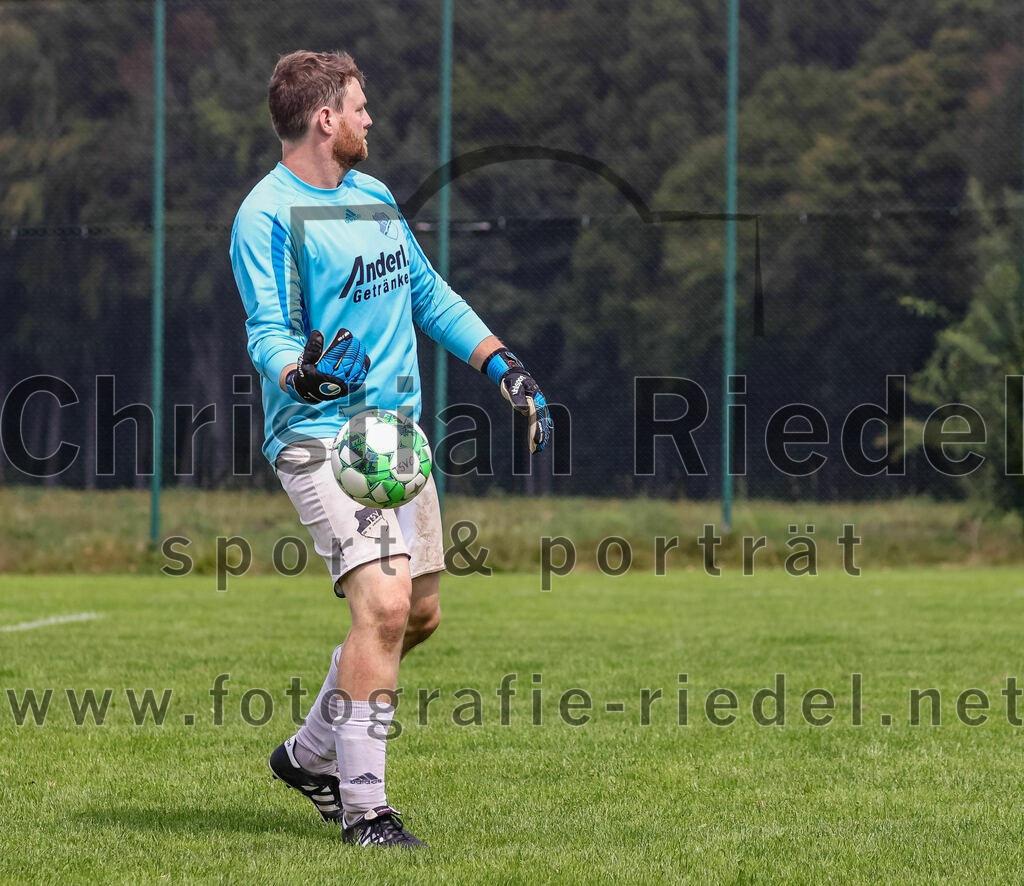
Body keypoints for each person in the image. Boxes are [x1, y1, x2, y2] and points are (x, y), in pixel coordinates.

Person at [229, 50, 552, 849]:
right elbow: (268, 331)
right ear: (324, 119)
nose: (371, 119)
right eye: (360, 106)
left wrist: (501, 364)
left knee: (422, 615)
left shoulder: (371, 196)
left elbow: (429, 294)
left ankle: (309, 754)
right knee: (382, 606)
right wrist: (300, 377)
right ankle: (366, 810)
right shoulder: (265, 216)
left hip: (395, 438)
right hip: (320, 437)